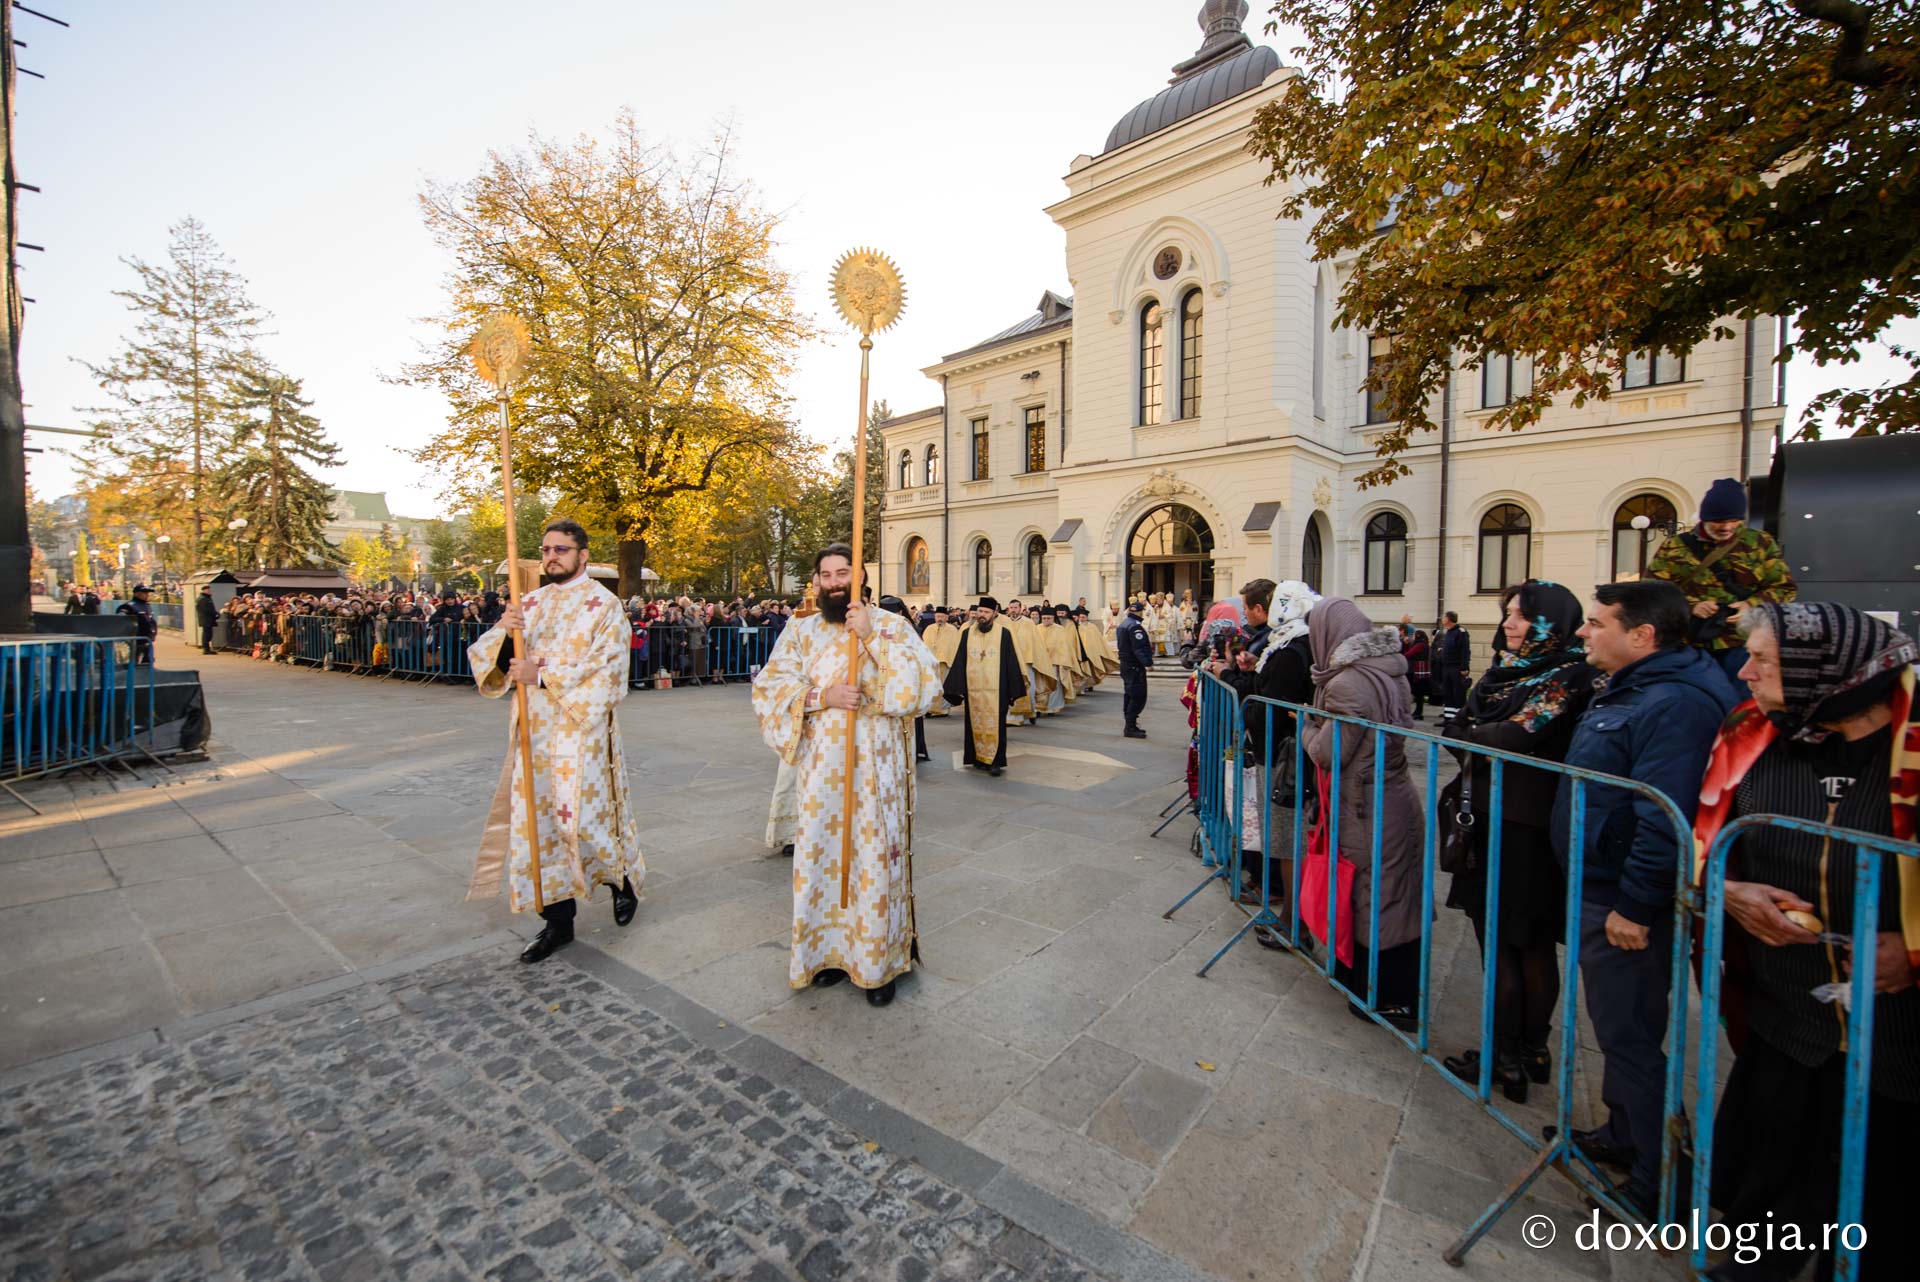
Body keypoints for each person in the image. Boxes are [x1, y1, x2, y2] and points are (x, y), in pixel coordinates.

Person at [1693, 602, 1918, 1281]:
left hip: (1901, 1048)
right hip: (1786, 1024)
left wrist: (1912, 952)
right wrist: (1728, 892)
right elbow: (1708, 841)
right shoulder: (1753, 733)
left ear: (1832, 671)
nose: (1745, 671)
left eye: (1764, 660)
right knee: (1765, 1201)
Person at [1550, 579, 1740, 1217]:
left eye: (1597, 622)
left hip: (1626, 898)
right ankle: (1624, 1134)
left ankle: (1660, 1179)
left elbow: (1665, 817)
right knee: (1618, 1027)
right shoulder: (1642, 686)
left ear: (1643, 635)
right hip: (1606, 881)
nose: (1584, 630)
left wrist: (1634, 904)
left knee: (1630, 1034)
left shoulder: (1676, 703)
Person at [751, 544, 942, 1005]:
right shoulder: (800, 632)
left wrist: (872, 637)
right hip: (822, 776)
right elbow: (770, 690)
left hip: (878, 773)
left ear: (860, 578)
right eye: (827, 575)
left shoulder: (893, 626)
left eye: (843, 573)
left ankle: (878, 963)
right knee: (821, 859)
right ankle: (827, 954)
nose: (835, 582)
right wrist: (822, 696)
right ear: (816, 582)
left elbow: (923, 688)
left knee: (875, 863)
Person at [1439, 582, 1596, 1102]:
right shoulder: (1508, 672)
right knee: (1508, 941)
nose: (1508, 624)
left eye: (1521, 617)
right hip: (1489, 815)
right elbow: (1466, 723)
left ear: (1550, 623)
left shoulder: (1569, 676)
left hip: (1524, 827)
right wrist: (1474, 730)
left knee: (1519, 944)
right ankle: (1519, 1048)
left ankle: (1514, 1052)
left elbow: (1513, 736)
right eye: (1507, 614)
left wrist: (1470, 733)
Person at [465, 519, 643, 964]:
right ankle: (557, 923)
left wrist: (541, 676)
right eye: (546, 549)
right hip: (533, 735)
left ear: (583, 555)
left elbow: (612, 674)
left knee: (584, 823)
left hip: (581, 736)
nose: (551, 557)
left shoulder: (604, 607)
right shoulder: (530, 604)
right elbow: (490, 662)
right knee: (538, 829)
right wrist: (506, 632)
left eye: (561, 549)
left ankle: (619, 881)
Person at [1301, 598, 1427, 1029]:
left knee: (1375, 896)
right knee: (1395, 893)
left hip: (1365, 805)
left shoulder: (1347, 684)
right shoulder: (1389, 669)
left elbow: (1328, 752)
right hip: (1392, 795)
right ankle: (1390, 990)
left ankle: (1382, 994)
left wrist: (1306, 725)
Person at [1217, 580, 1319, 913]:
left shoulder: (1292, 648)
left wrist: (1239, 684)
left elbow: (1270, 704)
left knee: (1283, 837)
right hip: (1277, 749)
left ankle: (1292, 916)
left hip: (1281, 753)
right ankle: (1286, 905)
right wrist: (1250, 671)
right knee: (1277, 833)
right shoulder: (1285, 642)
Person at [1644, 477, 1797, 679]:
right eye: (1719, 521)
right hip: (1692, 645)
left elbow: (1784, 588)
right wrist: (1691, 606)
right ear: (1704, 518)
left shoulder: (1760, 542)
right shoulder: (1674, 547)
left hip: (1744, 644)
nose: (1726, 527)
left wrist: (1751, 605)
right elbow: (1651, 592)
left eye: (1734, 520)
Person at [764, 585, 821, 857]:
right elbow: (778, 668)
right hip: (801, 710)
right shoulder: (796, 622)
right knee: (791, 774)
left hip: (834, 717)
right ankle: (791, 833)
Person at [943, 597, 1025, 775]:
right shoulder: (967, 633)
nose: (982, 615)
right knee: (973, 724)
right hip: (974, 692)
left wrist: (1013, 689)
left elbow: (1011, 661)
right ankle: (977, 758)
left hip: (998, 689)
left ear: (995, 614)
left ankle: (995, 762)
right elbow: (960, 661)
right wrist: (956, 688)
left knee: (996, 725)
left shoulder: (1004, 634)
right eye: (980, 612)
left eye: (986, 612)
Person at [1117, 599, 1154, 738]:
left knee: (1130, 694)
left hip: (1126, 665)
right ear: (1139, 611)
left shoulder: (1124, 624)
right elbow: (1139, 648)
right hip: (1134, 666)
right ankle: (1130, 726)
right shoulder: (1135, 627)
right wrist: (1147, 663)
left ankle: (1130, 724)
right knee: (1137, 695)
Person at [1434, 611, 1471, 713]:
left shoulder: (1461, 632)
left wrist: (1464, 667)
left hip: (1457, 667)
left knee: (1458, 693)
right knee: (1448, 692)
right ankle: (1448, 718)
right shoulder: (1448, 632)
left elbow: (1465, 650)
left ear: (1449, 619)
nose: (1442, 619)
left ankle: (1459, 718)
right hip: (1446, 667)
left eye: (1444, 617)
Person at [115, 584, 158, 664]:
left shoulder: (147, 606)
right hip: (134, 641)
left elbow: (150, 621)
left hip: (147, 640)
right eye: (144, 593)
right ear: (136, 594)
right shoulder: (128, 606)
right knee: (132, 663)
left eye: (148, 593)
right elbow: (120, 621)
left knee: (147, 663)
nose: (147, 595)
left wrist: (153, 633)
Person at [1399, 615, 1431, 720]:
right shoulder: (1422, 644)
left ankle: (1418, 712)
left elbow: (1408, 654)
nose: (1412, 637)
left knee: (1418, 692)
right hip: (1420, 670)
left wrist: (1399, 657)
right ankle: (1418, 712)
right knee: (1418, 692)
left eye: (1415, 635)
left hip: (1418, 671)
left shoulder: (1419, 645)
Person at [195, 586, 220, 655]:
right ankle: (206, 649)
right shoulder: (203, 599)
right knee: (207, 634)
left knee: (208, 634)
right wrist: (215, 613)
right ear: (204, 590)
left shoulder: (206, 598)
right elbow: (206, 610)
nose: (209, 591)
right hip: (206, 619)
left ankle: (206, 648)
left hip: (207, 619)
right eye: (208, 590)